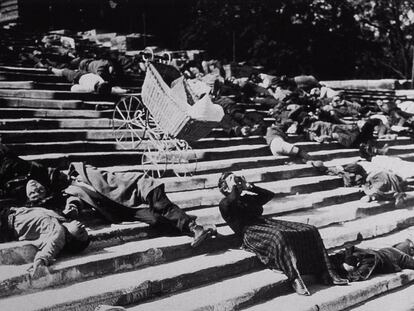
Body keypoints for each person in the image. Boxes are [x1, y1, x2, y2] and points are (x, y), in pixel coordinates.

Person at [0, 143, 214, 248]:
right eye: (35, 190)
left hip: (140, 187)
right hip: (124, 208)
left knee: (161, 207)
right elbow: (70, 199)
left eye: (37, 185)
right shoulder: (69, 192)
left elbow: (36, 169)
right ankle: (194, 227)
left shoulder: (85, 173)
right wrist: (71, 208)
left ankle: (195, 228)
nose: (37, 187)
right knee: (156, 219)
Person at [217, 172, 348, 296]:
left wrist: (250, 187)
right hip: (249, 232)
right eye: (233, 183)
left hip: (265, 224)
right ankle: (294, 278)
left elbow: (268, 195)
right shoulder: (224, 204)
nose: (237, 183)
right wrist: (232, 184)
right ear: (226, 188)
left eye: (237, 181)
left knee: (310, 229)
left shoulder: (246, 198)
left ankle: (326, 272)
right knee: (279, 236)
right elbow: (232, 200)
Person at [0, 206, 90, 278]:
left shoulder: (58, 233)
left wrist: (40, 263)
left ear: (70, 239)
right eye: (85, 229)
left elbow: (50, 249)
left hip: (5, 225)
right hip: (8, 212)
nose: (82, 226)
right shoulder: (61, 218)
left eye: (81, 233)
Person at [330, 239, 414, 282]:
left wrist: (343, 276)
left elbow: (359, 276)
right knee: (401, 248)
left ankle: (409, 245)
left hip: (394, 257)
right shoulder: (347, 254)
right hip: (384, 251)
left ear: (357, 263)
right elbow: (333, 258)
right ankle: (407, 244)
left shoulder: (369, 259)